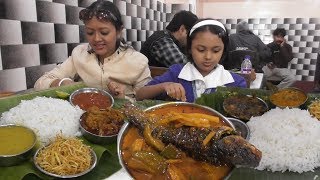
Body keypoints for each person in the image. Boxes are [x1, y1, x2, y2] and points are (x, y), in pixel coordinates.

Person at [34, 0, 151, 99]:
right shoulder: (79, 54)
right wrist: (62, 83)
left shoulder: (138, 62)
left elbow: (146, 102)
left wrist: (123, 98)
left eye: (104, 32)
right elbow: (41, 82)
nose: (96, 39)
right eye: (90, 32)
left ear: (119, 31)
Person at [136, 19, 246, 103]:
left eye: (216, 50)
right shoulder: (176, 73)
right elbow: (140, 95)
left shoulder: (235, 82)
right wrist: (164, 85)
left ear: (224, 50)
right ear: (189, 48)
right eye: (201, 50)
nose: (208, 56)